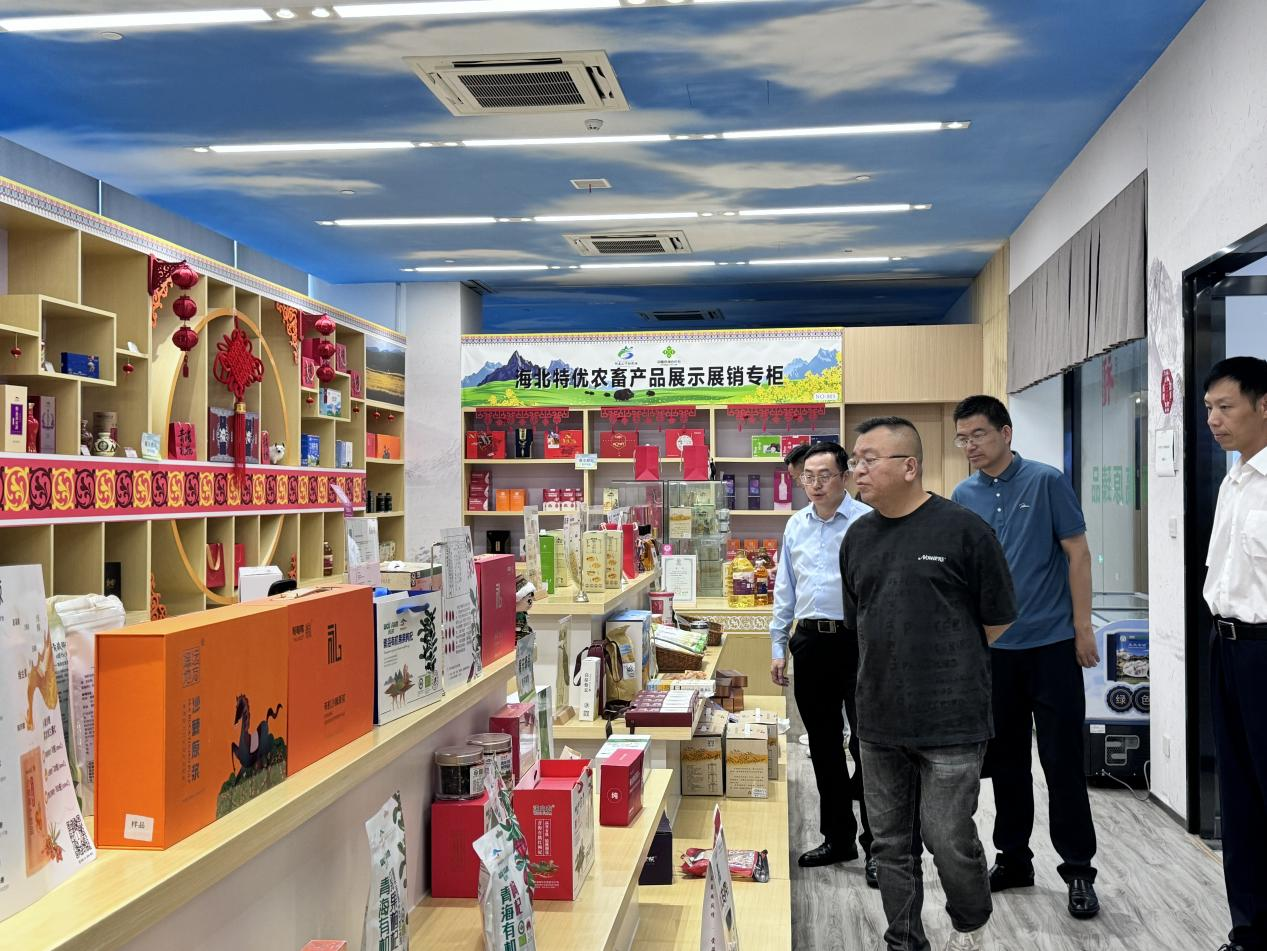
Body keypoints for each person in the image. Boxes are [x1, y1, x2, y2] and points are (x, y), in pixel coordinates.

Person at [840, 416, 1016, 951]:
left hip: (952, 718)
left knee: (947, 837)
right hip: (878, 717)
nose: (857, 470)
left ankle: (970, 911)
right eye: (855, 460)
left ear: (910, 466)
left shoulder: (964, 531)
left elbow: (998, 619)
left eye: (870, 459)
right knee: (890, 844)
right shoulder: (857, 536)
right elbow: (859, 620)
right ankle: (905, 940)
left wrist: (946, 655)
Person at [949, 395, 1101, 920]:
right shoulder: (963, 494)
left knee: (1062, 763)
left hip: (1053, 646)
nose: (970, 445)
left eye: (978, 434)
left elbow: (1077, 554)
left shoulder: (1046, 481)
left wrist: (1083, 627)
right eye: (963, 438)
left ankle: (1078, 870)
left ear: (1006, 433)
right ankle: (1013, 859)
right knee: (1006, 763)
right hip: (995, 652)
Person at [770, 442, 877, 884]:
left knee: (868, 746)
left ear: (845, 476)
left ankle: (878, 846)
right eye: (807, 477)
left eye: (824, 475)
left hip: (859, 642)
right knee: (823, 745)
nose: (814, 484)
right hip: (811, 642)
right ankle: (838, 838)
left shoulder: (868, 521)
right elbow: (785, 588)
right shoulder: (796, 524)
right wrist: (778, 644)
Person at [1201, 356, 1267, 951]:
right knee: (1239, 799)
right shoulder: (1235, 479)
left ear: (1264, 405)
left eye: (1225, 407)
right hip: (1226, 649)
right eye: (1208, 410)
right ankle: (1248, 930)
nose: (1214, 421)